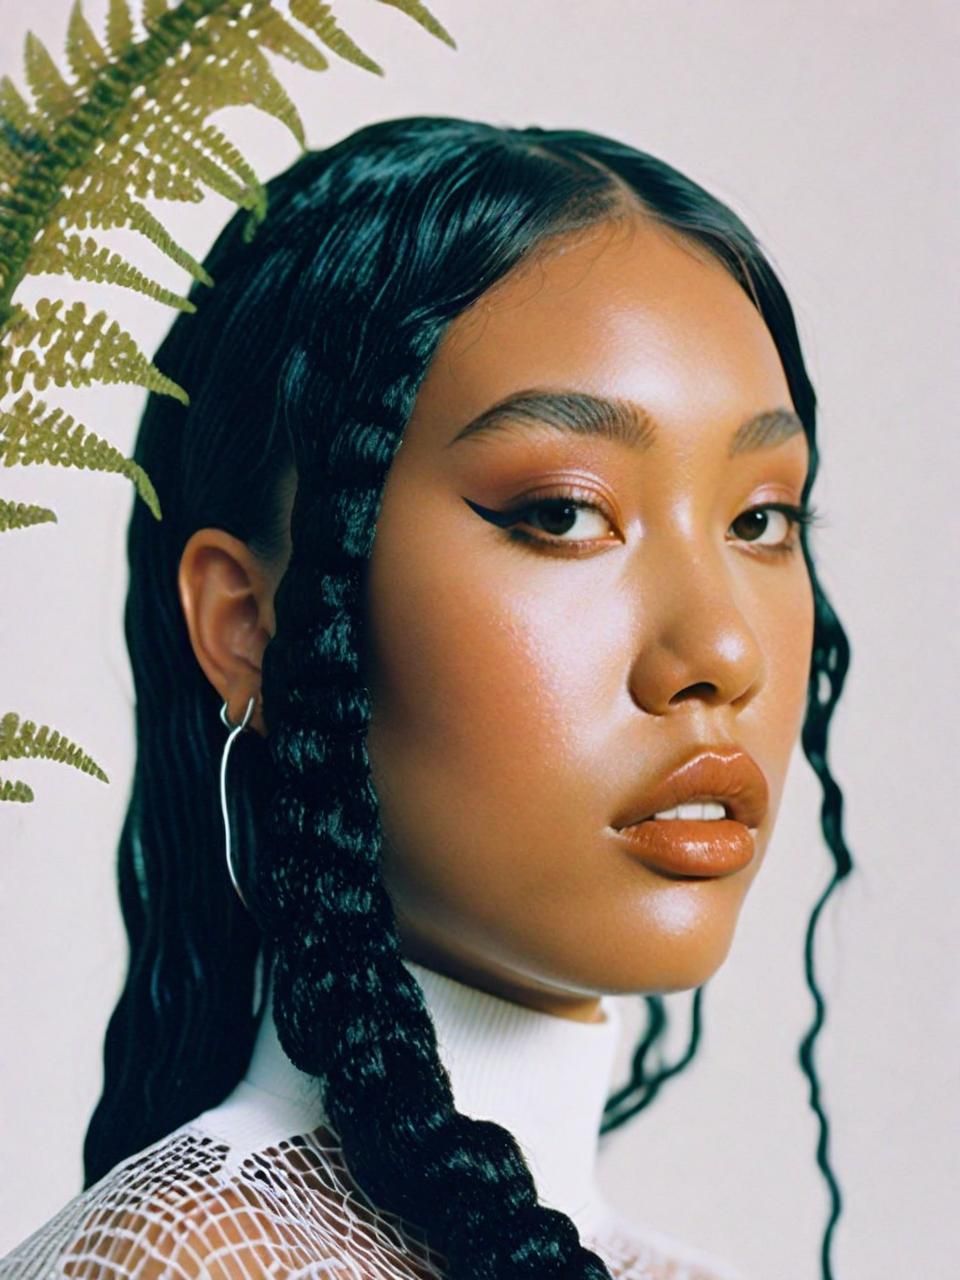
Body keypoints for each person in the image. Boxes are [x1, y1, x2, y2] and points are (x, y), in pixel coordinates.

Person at [0, 115, 853, 1279]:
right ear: (253, 624)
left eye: (761, 519)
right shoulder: (186, 1258)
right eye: (561, 511)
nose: (719, 649)